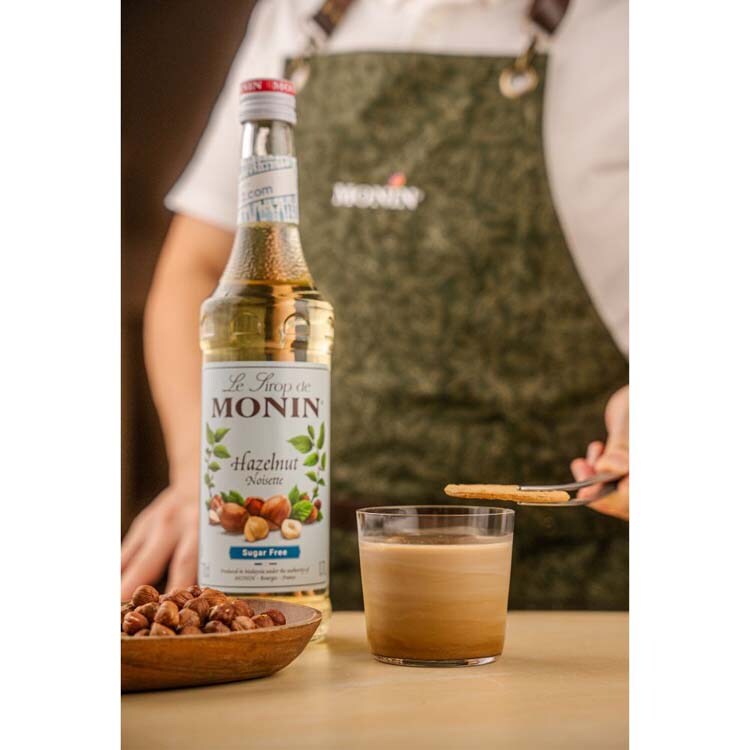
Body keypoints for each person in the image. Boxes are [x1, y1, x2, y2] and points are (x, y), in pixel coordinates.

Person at [122, 0, 629, 609]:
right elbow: (199, 268)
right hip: (286, 568)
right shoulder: (299, 16)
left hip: (553, 586)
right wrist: (201, 475)